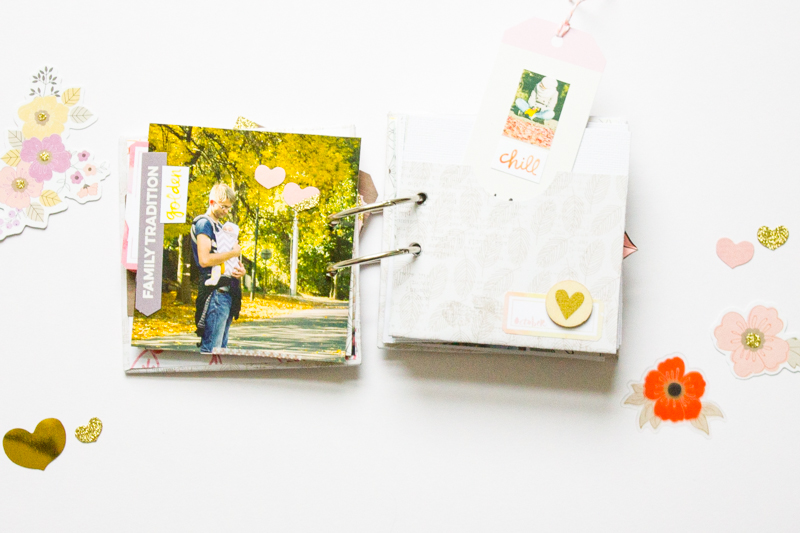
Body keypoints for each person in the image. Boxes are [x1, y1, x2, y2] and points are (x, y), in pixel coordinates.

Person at [190, 183, 246, 355]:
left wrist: (240, 270)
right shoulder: (204, 224)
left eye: (229, 208)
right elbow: (205, 260)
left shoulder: (221, 228)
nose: (226, 211)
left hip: (227, 292)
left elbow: (227, 257)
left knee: (220, 349)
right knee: (212, 351)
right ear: (212, 202)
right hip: (215, 293)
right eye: (223, 207)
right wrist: (232, 253)